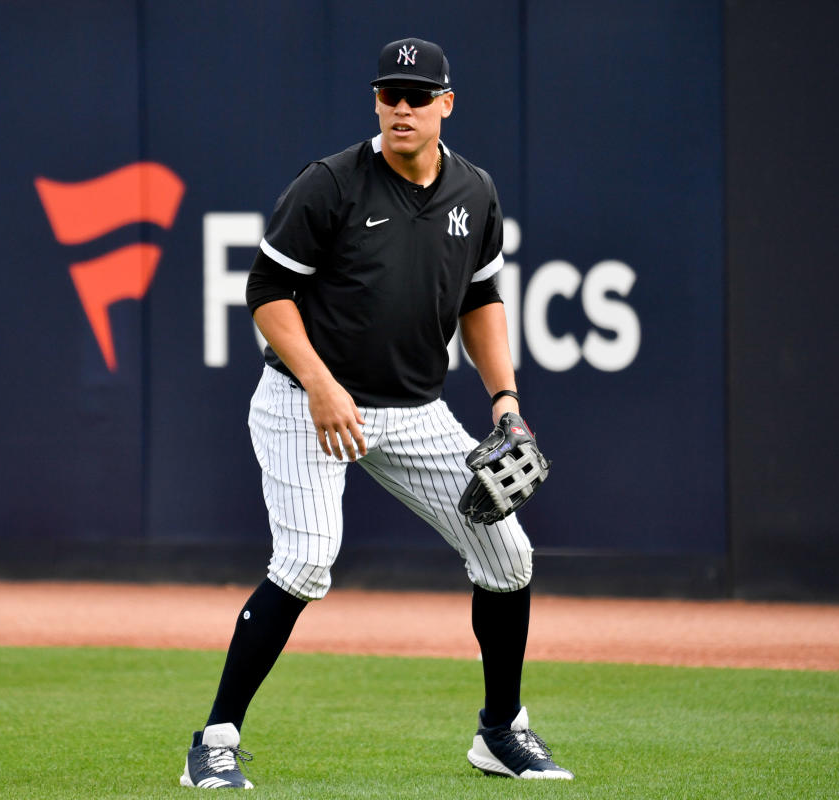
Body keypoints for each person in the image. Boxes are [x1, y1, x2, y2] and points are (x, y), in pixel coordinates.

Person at [179, 37, 573, 789]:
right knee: (304, 562)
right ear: (376, 103)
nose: (402, 107)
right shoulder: (330, 184)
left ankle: (500, 733)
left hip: (415, 409)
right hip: (307, 404)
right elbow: (266, 292)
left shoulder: (475, 192)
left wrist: (506, 402)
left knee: (509, 557)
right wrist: (320, 382)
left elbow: (482, 300)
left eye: (418, 96)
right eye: (390, 94)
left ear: (445, 105)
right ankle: (215, 739)